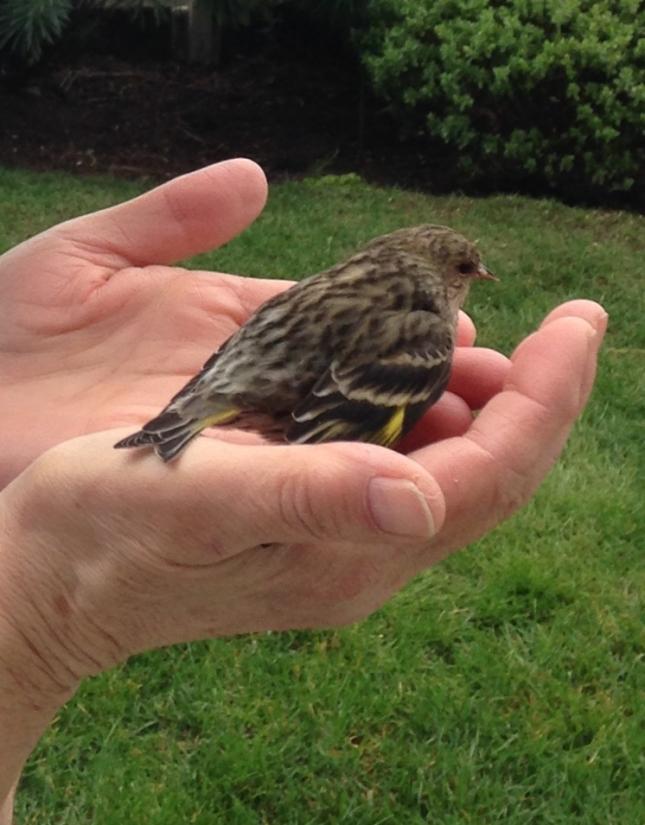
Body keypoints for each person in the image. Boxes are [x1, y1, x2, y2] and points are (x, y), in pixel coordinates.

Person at [0, 159, 607, 821]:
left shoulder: (328, 285)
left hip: (243, 358)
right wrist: (37, 624)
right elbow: (349, 413)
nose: (474, 279)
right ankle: (190, 420)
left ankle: (184, 416)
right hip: (289, 396)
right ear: (444, 275)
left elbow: (266, 336)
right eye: (467, 270)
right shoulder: (420, 331)